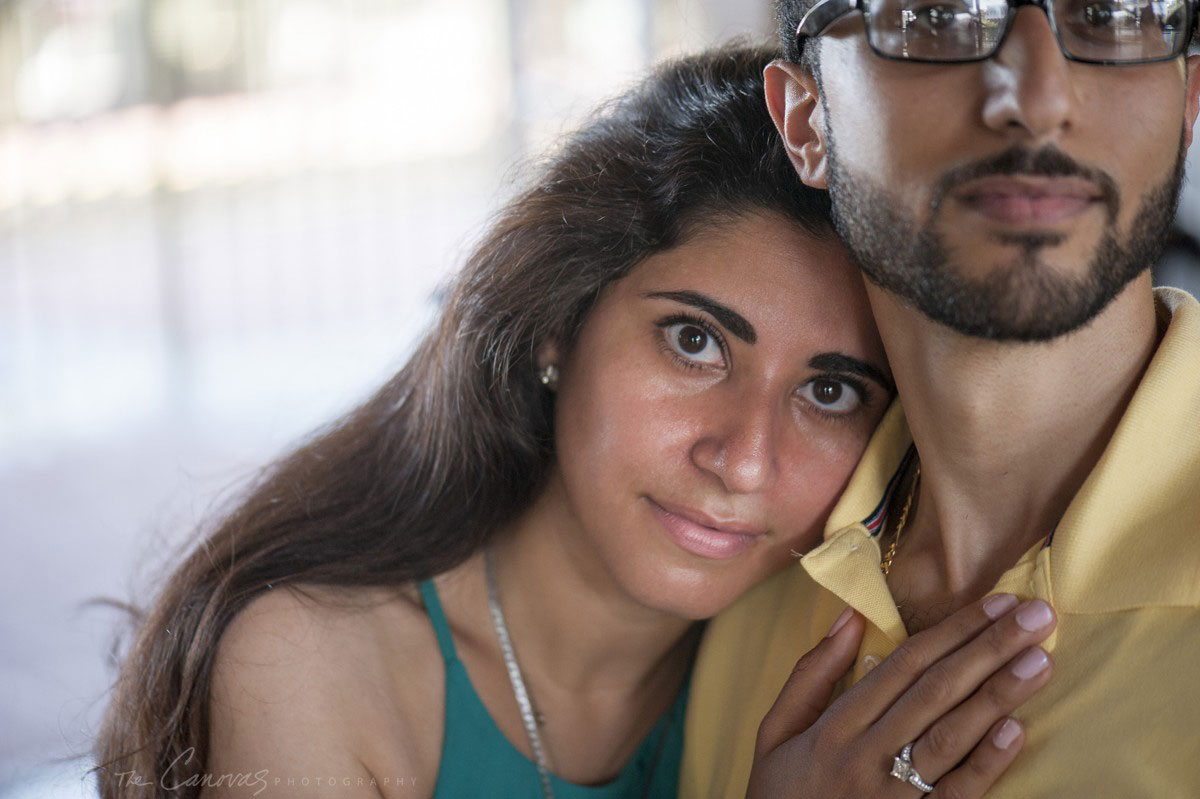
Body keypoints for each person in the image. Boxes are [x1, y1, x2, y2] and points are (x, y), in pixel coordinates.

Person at [91, 43, 1055, 799]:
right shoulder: (312, 663)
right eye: (694, 342)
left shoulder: (811, 649)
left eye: (832, 390)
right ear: (559, 323)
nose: (745, 461)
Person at [682, 2, 1200, 797]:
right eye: (937, 12)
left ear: (1187, 100)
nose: (1037, 96)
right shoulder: (739, 570)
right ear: (806, 122)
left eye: (1112, 11)